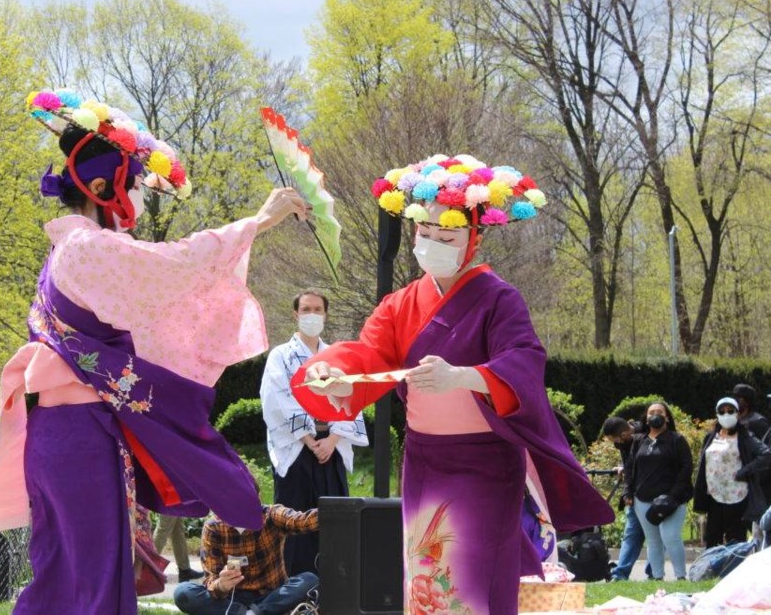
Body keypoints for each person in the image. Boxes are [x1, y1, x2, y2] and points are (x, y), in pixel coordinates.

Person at [0, 90, 307, 615]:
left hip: (64, 433)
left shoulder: (70, 248)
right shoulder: (87, 248)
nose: (135, 200)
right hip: (78, 436)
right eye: (130, 185)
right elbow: (175, 266)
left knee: (68, 574)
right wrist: (257, 222)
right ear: (102, 187)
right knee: (95, 576)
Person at [292, 154, 613, 615]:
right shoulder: (401, 302)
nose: (434, 244)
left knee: (470, 572)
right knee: (426, 574)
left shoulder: (499, 299)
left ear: (472, 239)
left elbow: (523, 361)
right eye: (425, 235)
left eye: (447, 237)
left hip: (485, 459)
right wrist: (333, 374)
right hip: (426, 459)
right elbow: (370, 353)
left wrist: (461, 376)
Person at [260, 289, 368, 575]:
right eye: (306, 309)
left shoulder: (337, 356)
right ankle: (293, 594)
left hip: (331, 447)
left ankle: (333, 593)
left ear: (325, 314)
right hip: (297, 447)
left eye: (317, 309)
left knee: (334, 523)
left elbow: (351, 400)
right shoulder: (281, 356)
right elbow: (276, 400)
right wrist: (309, 439)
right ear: (295, 314)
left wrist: (332, 439)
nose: (311, 315)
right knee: (294, 524)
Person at [173, 503, 319, 615]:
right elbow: (211, 579)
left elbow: (302, 521)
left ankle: (254, 613)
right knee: (183, 592)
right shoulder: (214, 526)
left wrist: (334, 510)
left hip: (271, 595)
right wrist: (221, 585)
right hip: (231, 600)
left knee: (310, 580)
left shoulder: (271, 514)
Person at [624, 401, 693, 580]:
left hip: (672, 500)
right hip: (642, 499)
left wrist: (674, 496)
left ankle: (680, 577)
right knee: (652, 541)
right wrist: (628, 493)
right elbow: (630, 468)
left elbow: (686, 469)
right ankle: (657, 577)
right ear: (646, 419)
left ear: (667, 417)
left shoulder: (677, 440)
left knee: (670, 537)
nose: (655, 415)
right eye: (651, 412)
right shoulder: (639, 441)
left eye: (659, 412)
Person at [693, 397, 771, 547]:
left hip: (737, 495)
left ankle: (733, 569)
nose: (726, 415)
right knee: (712, 539)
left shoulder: (745, 436)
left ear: (737, 414)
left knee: (735, 540)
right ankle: (712, 569)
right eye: (722, 412)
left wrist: (744, 471)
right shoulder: (710, 437)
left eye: (730, 411)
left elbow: (766, 454)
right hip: (714, 496)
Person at [601, 416, 651, 581]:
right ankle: (620, 573)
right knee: (631, 533)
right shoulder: (624, 442)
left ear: (624, 434)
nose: (615, 444)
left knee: (655, 536)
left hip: (651, 493)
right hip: (634, 494)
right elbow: (630, 468)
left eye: (615, 440)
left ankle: (654, 572)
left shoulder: (646, 434)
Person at [154, 515, 202, 581]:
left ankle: (184, 569)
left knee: (178, 530)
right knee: (163, 529)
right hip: (169, 504)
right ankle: (147, 568)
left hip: (175, 504)